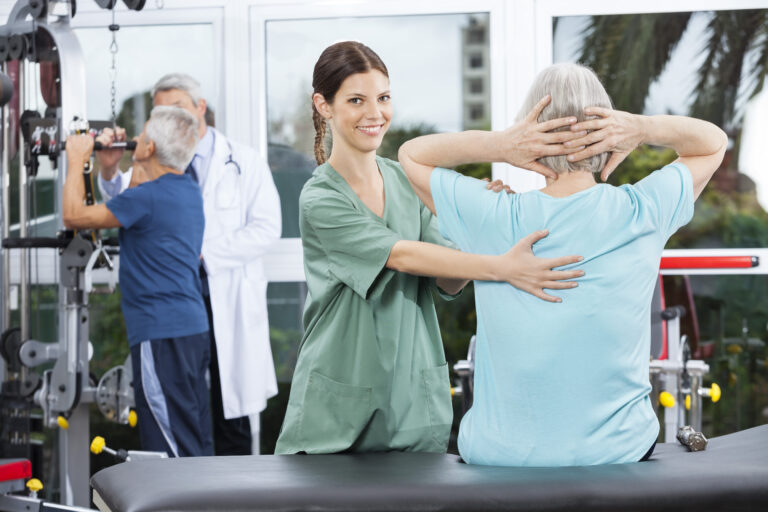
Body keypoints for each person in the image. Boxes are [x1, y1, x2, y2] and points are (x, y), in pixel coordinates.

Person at [398, 62, 728, 466]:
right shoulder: (641, 210)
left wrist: (501, 146)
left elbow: (411, 156)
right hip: (616, 452)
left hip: (500, 456)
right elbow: (713, 142)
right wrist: (642, 129)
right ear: (610, 133)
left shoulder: (491, 214)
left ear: (531, 135)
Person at [275, 42, 589, 455]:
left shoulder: (404, 181)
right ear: (323, 105)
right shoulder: (320, 198)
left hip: (412, 400)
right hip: (338, 407)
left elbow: (449, 279)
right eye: (357, 100)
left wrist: (477, 224)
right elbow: (403, 255)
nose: (376, 114)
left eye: (384, 98)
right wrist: (503, 267)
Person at [96, 74, 281, 455]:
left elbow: (267, 228)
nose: (169, 119)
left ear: (200, 108)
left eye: (177, 108)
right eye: (159, 112)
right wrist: (111, 171)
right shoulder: (154, 160)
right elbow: (124, 200)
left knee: (230, 417)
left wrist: (203, 252)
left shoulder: (243, 161)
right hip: (176, 303)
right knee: (184, 413)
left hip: (222, 294)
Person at [63, 106, 213, 457]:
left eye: (142, 136)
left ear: (146, 150)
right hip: (192, 331)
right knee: (193, 440)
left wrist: (76, 158)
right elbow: (137, 198)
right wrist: (109, 166)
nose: (136, 140)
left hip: (161, 335)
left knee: (169, 448)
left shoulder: (146, 198)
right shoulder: (186, 188)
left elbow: (74, 216)